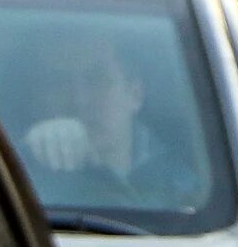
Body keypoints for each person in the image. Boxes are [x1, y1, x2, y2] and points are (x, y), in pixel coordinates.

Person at [18, 36, 208, 216]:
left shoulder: (189, 187)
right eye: (60, 83)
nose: (79, 100)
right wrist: (26, 156)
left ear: (135, 94)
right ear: (37, 101)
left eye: (97, 80)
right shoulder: (12, 175)